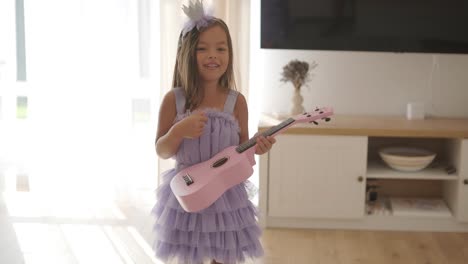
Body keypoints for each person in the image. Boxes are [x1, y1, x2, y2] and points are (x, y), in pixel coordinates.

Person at [152, 1, 276, 263]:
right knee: (191, 255)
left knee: (223, 256)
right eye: (202, 49)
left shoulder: (236, 102)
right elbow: (161, 150)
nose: (213, 55)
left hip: (226, 195)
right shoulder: (174, 100)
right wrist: (178, 132)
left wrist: (257, 147)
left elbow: (243, 155)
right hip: (187, 192)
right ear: (187, 53)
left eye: (221, 48)